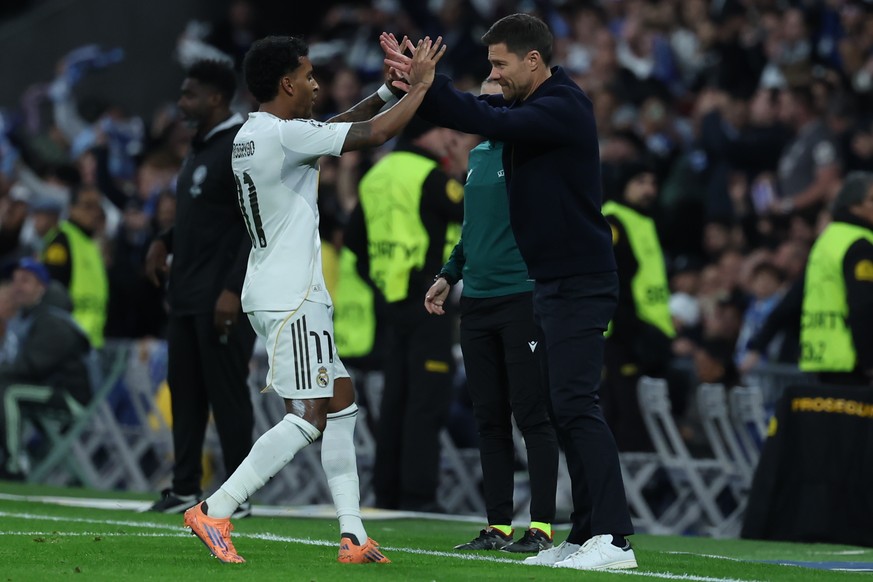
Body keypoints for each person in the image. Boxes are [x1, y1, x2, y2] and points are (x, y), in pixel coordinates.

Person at [383, 14, 637, 570]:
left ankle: (615, 539)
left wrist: (430, 86)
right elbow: (473, 111)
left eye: (500, 64)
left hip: (580, 280)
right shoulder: (534, 106)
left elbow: (479, 113)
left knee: (575, 405)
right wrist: (415, 87)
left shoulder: (563, 105)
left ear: (533, 60)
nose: (494, 74)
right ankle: (584, 533)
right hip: (554, 283)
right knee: (564, 408)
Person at [182, 34, 446, 564]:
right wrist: (420, 88)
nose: (315, 85)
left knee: (341, 403)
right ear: (286, 84)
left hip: (276, 286)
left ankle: (352, 535)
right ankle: (216, 508)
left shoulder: (255, 133)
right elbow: (373, 134)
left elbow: (334, 130)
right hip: (292, 295)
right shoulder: (284, 136)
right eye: (308, 76)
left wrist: (385, 92)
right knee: (307, 416)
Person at [423, 77, 558, 552]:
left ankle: (542, 528)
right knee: (489, 418)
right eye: (481, 95)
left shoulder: (529, 151)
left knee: (531, 414)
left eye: (496, 89)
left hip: (521, 296)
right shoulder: (478, 156)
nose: (484, 102)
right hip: (477, 301)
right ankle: (498, 526)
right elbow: (472, 229)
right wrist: (449, 273)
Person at [144, 60, 257, 517]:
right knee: (185, 393)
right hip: (187, 296)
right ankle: (184, 487)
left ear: (216, 98)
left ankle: (238, 493)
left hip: (221, 298)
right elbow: (203, 219)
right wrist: (164, 240)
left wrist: (233, 290)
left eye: (189, 95)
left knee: (227, 396)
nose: (181, 103)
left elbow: (252, 224)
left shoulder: (240, 145)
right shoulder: (199, 147)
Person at [346, 113, 464, 513]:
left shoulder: (375, 175)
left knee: (395, 398)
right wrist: (461, 169)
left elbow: (354, 242)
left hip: (389, 302)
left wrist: (381, 282)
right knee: (426, 399)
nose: (450, 139)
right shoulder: (431, 176)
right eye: (447, 130)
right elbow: (474, 216)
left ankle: (388, 492)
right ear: (429, 132)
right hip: (428, 299)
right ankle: (419, 495)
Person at [601, 162, 675, 452]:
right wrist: (634, 330)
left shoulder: (644, 220)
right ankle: (625, 480)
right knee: (628, 417)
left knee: (645, 420)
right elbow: (614, 282)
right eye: (641, 181)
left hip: (649, 333)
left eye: (653, 183)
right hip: (625, 335)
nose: (649, 190)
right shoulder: (614, 221)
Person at [0, 259, 91, 481]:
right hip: (48, 390)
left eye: (25, 281)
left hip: (70, 397)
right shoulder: (29, 317)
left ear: (41, 287)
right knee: (7, 388)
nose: (17, 287)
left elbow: (32, 367)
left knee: (8, 392)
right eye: (15, 281)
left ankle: (14, 465)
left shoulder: (52, 321)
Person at [799, 171, 873, 386]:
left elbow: (797, 296)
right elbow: (864, 307)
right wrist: (870, 362)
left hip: (822, 356)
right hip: (853, 363)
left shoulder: (827, 239)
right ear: (854, 205)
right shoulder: (860, 245)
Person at [42, 186, 108, 348]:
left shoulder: (90, 244)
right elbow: (53, 290)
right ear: (72, 208)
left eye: (98, 206)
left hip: (90, 340)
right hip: (68, 340)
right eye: (88, 206)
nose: (95, 212)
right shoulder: (62, 240)